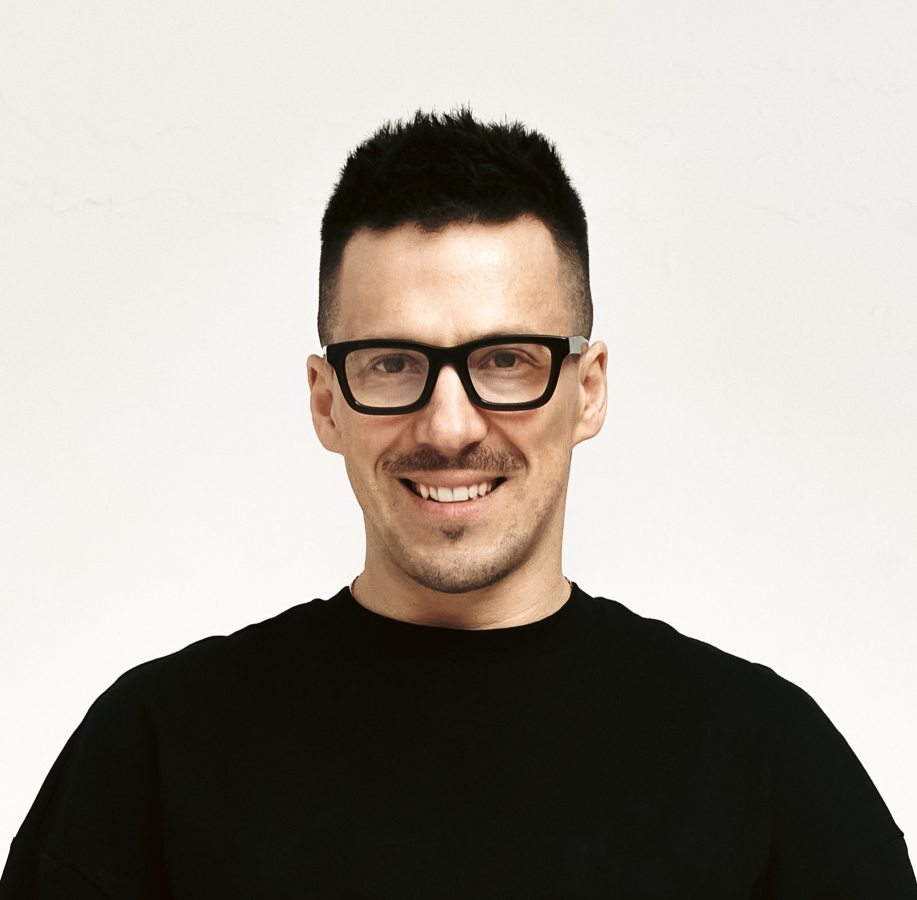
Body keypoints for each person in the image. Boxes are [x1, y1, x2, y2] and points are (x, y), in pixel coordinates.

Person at [1, 108, 914, 899]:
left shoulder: (762, 762)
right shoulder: (156, 753)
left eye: (505, 360)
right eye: (392, 363)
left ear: (587, 388)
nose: (448, 425)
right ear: (326, 400)